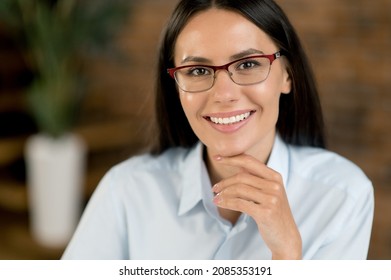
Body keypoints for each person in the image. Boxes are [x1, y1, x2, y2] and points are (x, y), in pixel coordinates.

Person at [62, 0, 374, 260]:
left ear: (287, 75)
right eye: (197, 71)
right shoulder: (126, 191)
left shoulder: (342, 196)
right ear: (175, 87)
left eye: (248, 65)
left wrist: (287, 254)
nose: (224, 94)